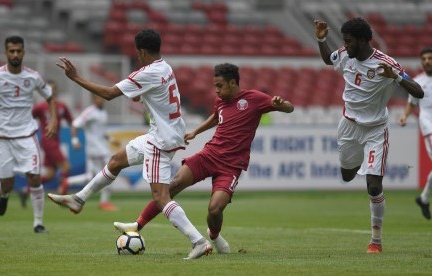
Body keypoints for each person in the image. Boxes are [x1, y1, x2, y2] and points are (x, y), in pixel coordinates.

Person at [47, 29, 212, 260]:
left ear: (142, 51)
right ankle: (79, 199)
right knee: (116, 161)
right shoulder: (165, 67)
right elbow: (145, 93)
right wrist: (139, 93)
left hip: (160, 140)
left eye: (137, 52)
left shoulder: (146, 73)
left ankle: (199, 241)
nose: (137, 56)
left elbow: (108, 93)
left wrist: (75, 77)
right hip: (168, 132)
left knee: (161, 197)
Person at [113, 63, 294, 254]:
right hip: (209, 156)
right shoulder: (221, 102)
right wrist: (195, 132)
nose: (216, 90)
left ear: (233, 83)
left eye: (220, 86)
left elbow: (290, 108)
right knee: (172, 185)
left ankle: (214, 235)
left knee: (215, 210)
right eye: (215, 85)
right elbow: (216, 117)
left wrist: (283, 105)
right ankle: (137, 225)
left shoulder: (255, 99)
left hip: (231, 166)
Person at [314, 18, 424, 253]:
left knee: (373, 185)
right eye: (344, 41)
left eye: (349, 41)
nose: (345, 45)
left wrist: (395, 77)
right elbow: (327, 59)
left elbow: (419, 91)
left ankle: (376, 241)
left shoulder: (386, 63)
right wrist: (321, 39)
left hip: (376, 129)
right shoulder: (345, 54)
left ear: (363, 41)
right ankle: (355, 166)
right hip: (349, 126)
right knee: (346, 175)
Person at [0, 35, 58, 233]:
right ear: (6, 52)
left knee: (34, 178)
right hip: (2, 136)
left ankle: (38, 223)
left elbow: (50, 96)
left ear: (23, 52)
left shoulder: (33, 77)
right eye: (11, 51)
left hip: (26, 134)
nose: (15, 54)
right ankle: (4, 195)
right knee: (8, 183)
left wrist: (54, 119)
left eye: (18, 51)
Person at [19, 80, 74, 207]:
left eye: (54, 89)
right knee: (66, 167)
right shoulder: (40, 107)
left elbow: (72, 121)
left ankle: (25, 191)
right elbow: (27, 118)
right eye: (49, 89)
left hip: (56, 141)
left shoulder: (62, 106)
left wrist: (75, 133)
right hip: (48, 141)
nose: (52, 91)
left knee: (49, 175)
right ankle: (63, 198)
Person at [398, 47, 432, 220]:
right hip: (429, 126)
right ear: (421, 62)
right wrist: (404, 116)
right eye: (424, 59)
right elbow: (412, 103)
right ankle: (424, 198)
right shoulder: (418, 81)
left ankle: (424, 198)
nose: (427, 61)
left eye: (430, 58)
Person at [69, 94, 119, 212]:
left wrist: (111, 140)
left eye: (102, 98)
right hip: (96, 149)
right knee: (111, 171)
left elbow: (101, 132)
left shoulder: (103, 113)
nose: (101, 100)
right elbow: (75, 124)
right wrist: (75, 141)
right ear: (93, 99)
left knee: (93, 176)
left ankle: (67, 182)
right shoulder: (90, 111)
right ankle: (104, 202)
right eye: (99, 98)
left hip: (101, 148)